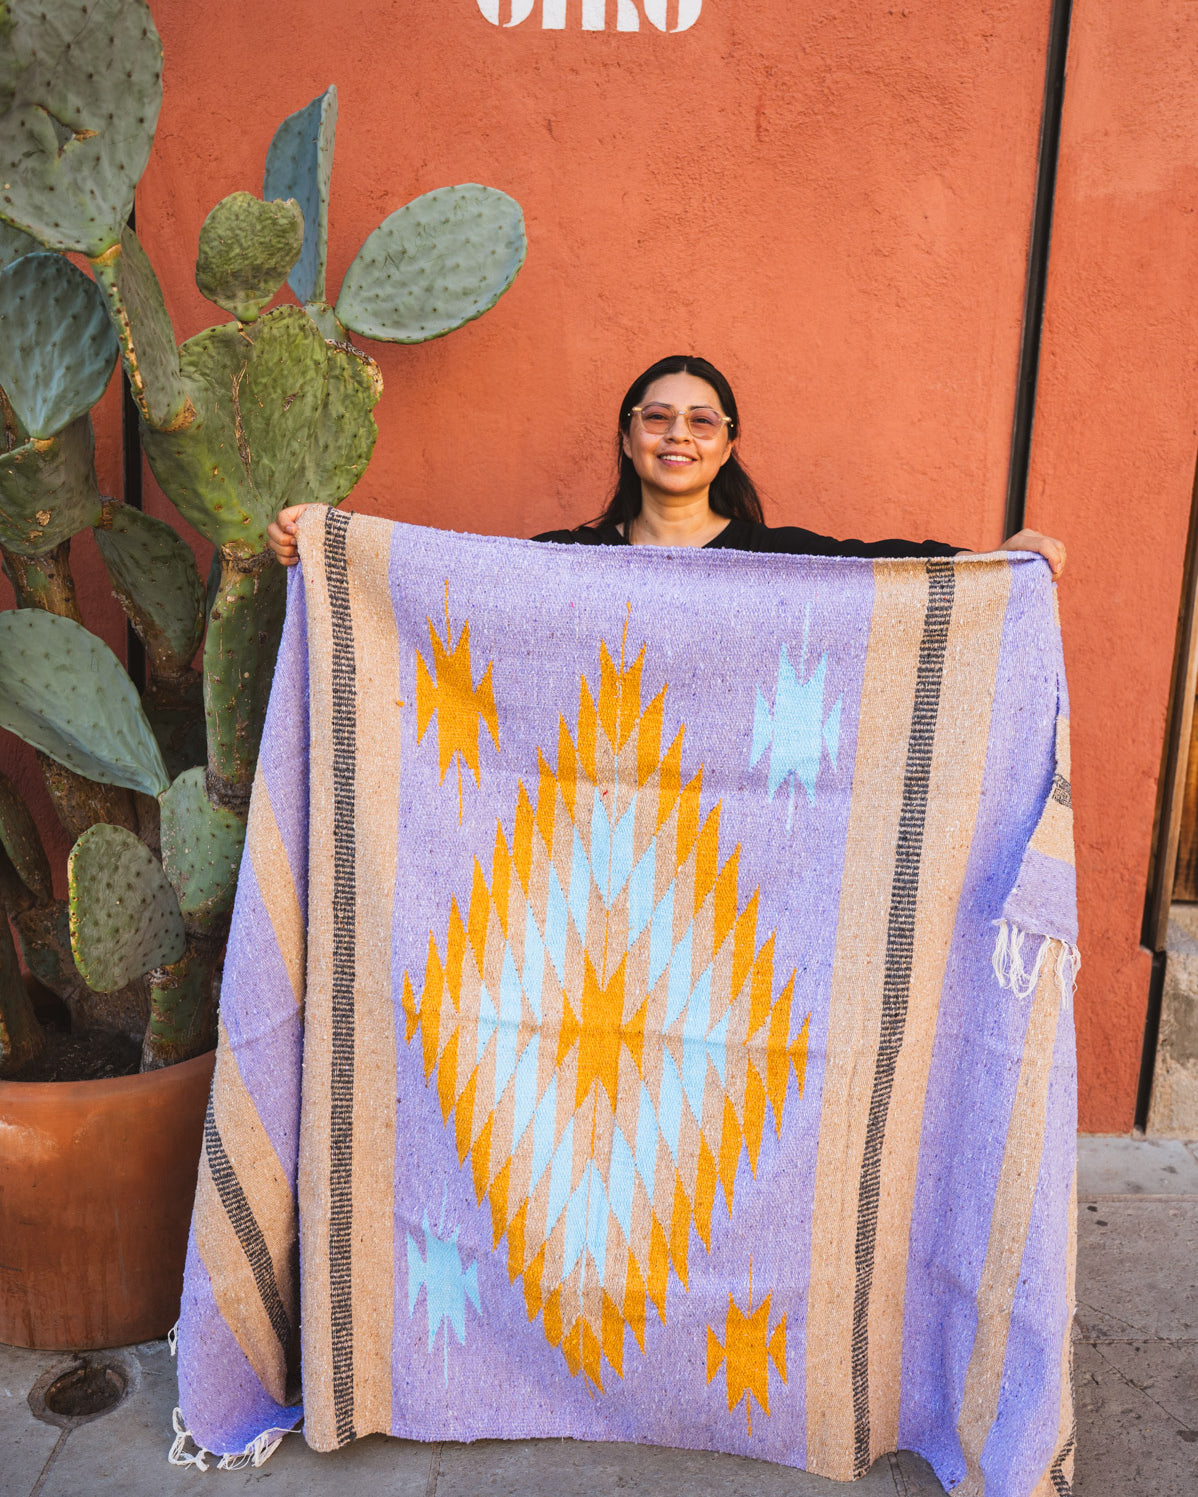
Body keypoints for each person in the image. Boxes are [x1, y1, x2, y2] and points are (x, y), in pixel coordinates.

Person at [267, 354, 1066, 576]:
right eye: (657, 417)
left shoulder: (774, 561)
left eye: (700, 420)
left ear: (726, 443)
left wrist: (997, 562)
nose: (677, 434)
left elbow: (883, 570)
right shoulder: (569, 560)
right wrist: (334, 543)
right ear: (627, 438)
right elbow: (452, 572)